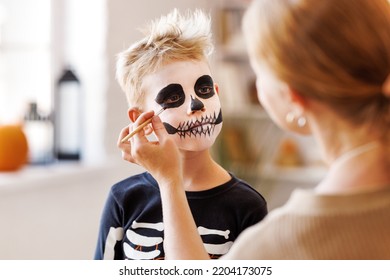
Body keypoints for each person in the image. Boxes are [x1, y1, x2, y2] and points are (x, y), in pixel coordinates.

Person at [120, 0, 390, 259]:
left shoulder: (276, 247)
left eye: (259, 71)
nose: (195, 104)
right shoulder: (124, 199)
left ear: (292, 96)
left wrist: (169, 182)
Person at [94, 9, 268, 260]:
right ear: (140, 119)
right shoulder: (124, 199)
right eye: (173, 97)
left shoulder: (248, 206)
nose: (196, 105)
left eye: (204, 88)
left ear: (217, 92)